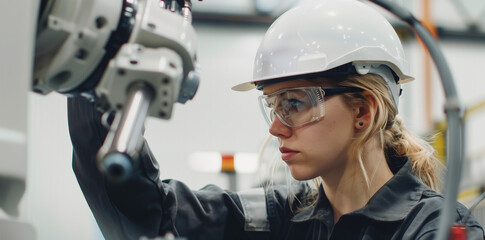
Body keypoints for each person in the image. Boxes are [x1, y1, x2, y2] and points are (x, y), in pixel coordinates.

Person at [67, 0, 485, 239]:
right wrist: (89, 78)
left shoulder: (434, 228)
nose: (276, 126)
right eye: (273, 104)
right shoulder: (280, 216)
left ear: (364, 111)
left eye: (295, 103)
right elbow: (146, 215)